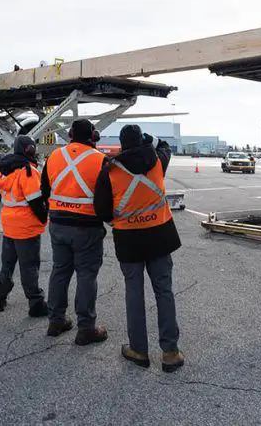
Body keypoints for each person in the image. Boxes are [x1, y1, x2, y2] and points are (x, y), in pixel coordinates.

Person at [94, 125, 184, 373]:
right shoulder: (156, 161)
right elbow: (165, 146)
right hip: (159, 236)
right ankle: (170, 352)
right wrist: (150, 139)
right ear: (142, 141)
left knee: (134, 293)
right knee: (164, 291)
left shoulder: (110, 170)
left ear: (122, 145)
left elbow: (100, 209)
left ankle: (138, 350)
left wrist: (117, 220)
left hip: (129, 239)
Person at [40, 119, 108, 345]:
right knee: (86, 275)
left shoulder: (54, 157)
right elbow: (107, 196)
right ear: (93, 136)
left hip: (58, 224)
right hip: (87, 226)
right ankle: (86, 328)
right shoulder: (100, 159)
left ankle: (56, 321)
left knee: (60, 271)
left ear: (69, 134)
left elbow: (44, 190)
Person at [0, 136, 48, 317]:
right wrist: (43, 218)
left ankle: (0, 297)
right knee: (29, 265)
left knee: (7, 264)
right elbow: (35, 200)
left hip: (9, 224)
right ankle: (36, 303)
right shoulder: (28, 171)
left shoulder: (5, 171)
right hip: (26, 226)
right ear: (28, 149)